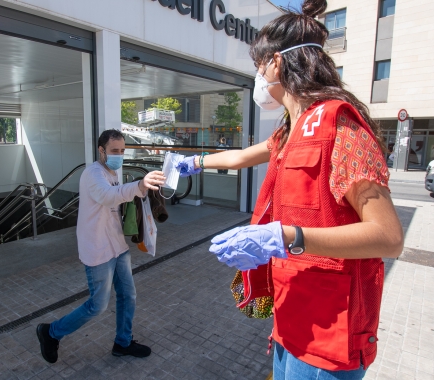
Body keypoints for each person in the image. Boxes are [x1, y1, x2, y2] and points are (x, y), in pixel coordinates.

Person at [176, 1, 403, 378]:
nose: (258, 77)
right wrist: (195, 163)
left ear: (276, 64)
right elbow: (239, 158)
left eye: (258, 66)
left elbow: (388, 236)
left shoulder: (339, 126)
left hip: (330, 333)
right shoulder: (289, 130)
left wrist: (285, 237)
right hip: (290, 312)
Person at [35, 129, 166, 363]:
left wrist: (142, 192)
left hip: (117, 245)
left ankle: (122, 343)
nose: (119, 155)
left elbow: (117, 200)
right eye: (115, 150)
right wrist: (139, 185)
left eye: (122, 151)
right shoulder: (92, 174)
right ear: (101, 150)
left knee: (128, 295)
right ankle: (50, 332)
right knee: (98, 305)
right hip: (98, 250)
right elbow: (108, 196)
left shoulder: (113, 172)